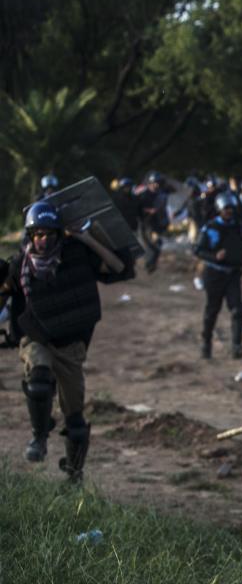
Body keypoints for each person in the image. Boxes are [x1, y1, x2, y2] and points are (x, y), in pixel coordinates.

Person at [0, 202, 132, 482]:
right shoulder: (19, 265)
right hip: (36, 338)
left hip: (71, 346)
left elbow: (118, 266)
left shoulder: (77, 254)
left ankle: (74, 475)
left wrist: (86, 238)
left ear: (59, 235)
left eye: (49, 234)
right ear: (30, 236)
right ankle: (39, 437)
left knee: (76, 423)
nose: (43, 240)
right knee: (39, 378)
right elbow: (4, 295)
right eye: (38, 235)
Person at [195, 192, 242, 360]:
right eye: (226, 208)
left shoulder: (238, 226)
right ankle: (206, 343)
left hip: (233, 274)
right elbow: (198, 250)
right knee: (212, 311)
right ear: (219, 209)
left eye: (231, 208)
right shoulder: (211, 228)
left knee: (238, 310)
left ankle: (236, 346)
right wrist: (214, 256)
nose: (229, 212)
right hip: (214, 274)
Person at [136, 171, 170, 273]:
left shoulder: (161, 195)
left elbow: (162, 210)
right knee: (149, 245)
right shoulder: (143, 194)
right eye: (155, 182)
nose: (157, 185)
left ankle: (151, 264)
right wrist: (148, 211)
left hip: (156, 224)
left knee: (157, 244)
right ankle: (149, 264)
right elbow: (137, 208)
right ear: (150, 183)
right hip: (145, 224)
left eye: (158, 183)